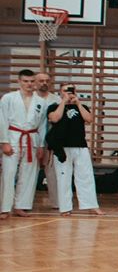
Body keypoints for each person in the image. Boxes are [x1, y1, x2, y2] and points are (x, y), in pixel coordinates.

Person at [46, 83, 101, 216]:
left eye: (72, 90)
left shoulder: (82, 106)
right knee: (63, 178)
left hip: (80, 146)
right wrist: (64, 102)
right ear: (60, 92)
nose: (69, 93)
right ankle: (65, 207)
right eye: (66, 90)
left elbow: (89, 119)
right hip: (62, 147)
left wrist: (78, 103)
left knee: (86, 176)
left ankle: (91, 205)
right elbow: (54, 118)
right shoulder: (54, 107)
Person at [0, 69, 45, 218]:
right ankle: (4, 208)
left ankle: (21, 206)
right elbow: (2, 120)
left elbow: (42, 125)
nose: (29, 84)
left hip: (32, 139)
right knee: (8, 173)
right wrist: (4, 142)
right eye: (26, 81)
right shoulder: (8, 98)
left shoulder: (40, 101)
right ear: (19, 81)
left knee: (28, 174)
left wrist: (41, 145)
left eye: (32, 81)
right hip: (13, 138)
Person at [33, 72, 60, 207]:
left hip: (51, 141)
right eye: (41, 80)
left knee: (52, 173)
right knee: (30, 172)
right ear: (35, 82)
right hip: (32, 139)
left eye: (47, 81)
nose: (44, 83)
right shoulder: (30, 98)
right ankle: (25, 203)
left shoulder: (57, 100)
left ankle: (56, 202)